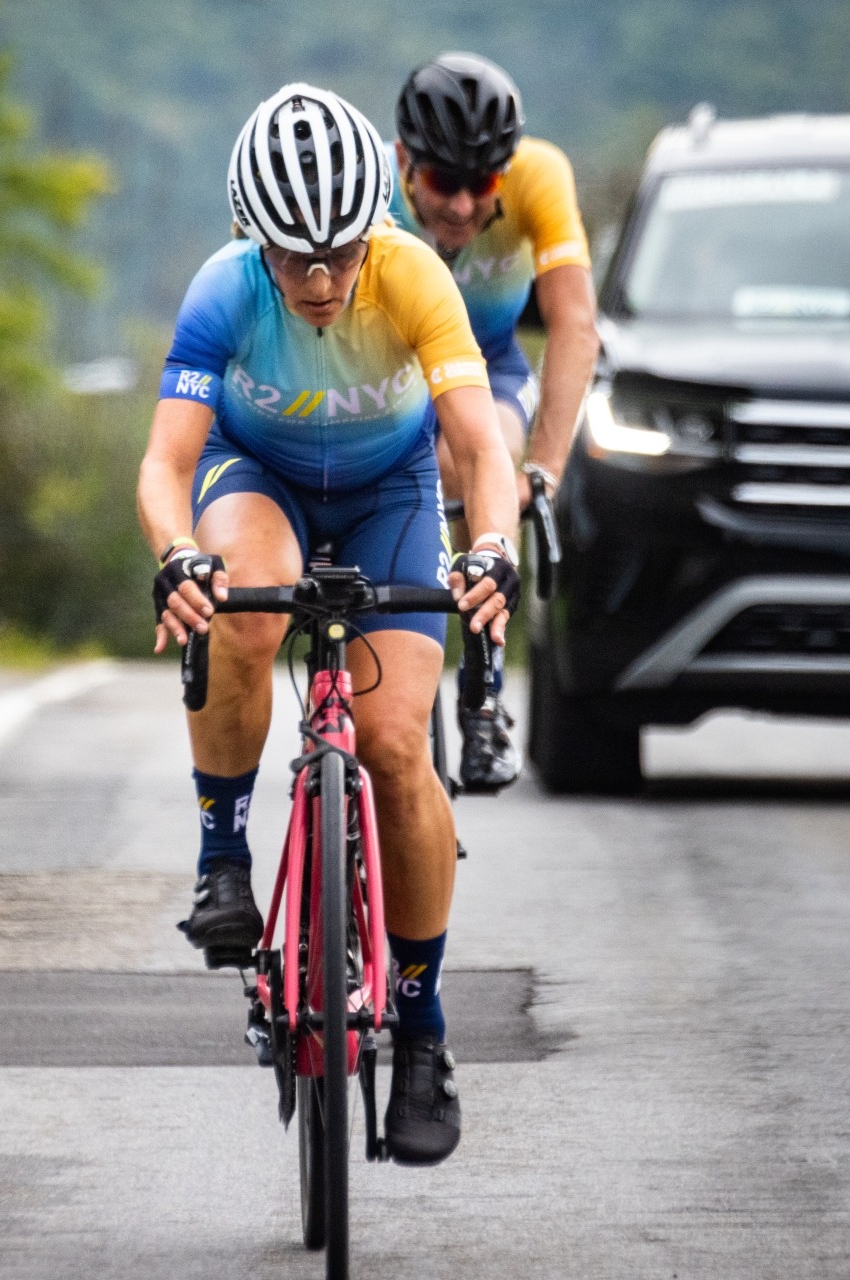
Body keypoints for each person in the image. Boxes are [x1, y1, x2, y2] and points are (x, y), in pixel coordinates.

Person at [138, 83, 520, 1166]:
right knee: (242, 611)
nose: (317, 279)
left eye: (340, 252)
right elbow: (168, 462)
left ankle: (425, 1030)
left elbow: (479, 444)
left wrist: (490, 545)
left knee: (399, 745)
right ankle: (223, 855)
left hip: (387, 494)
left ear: (375, 230)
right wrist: (179, 557)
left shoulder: (414, 276)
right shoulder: (223, 291)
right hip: (256, 478)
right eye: (292, 255)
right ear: (251, 236)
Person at [389, 52, 601, 791]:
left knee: (485, 460)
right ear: (403, 161)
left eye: (482, 186)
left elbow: (575, 327)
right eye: (444, 182)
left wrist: (542, 469)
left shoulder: (539, 174)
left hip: (487, 366)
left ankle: (482, 695)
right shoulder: (368, 190)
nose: (461, 208)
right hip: (385, 378)